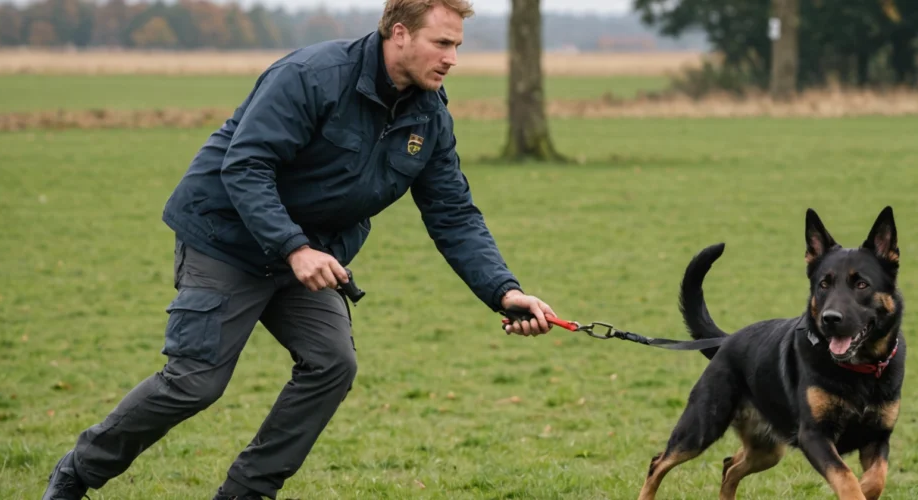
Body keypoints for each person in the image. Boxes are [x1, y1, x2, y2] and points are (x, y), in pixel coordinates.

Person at [41, 1, 559, 499]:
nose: (452, 57)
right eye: (441, 42)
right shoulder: (312, 76)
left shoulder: (428, 117)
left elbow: (453, 214)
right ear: (398, 33)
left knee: (332, 363)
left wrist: (504, 291)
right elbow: (245, 165)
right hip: (228, 237)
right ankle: (77, 473)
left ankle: (245, 492)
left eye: (458, 45)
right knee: (195, 383)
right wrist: (294, 248)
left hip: (309, 255)